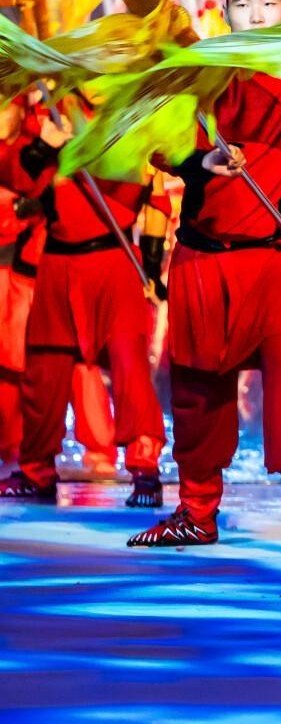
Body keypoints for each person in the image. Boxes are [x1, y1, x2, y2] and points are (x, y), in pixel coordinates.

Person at [129, 0, 281, 555]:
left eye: (270, 3)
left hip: (277, 257)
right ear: (227, 12)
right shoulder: (202, 74)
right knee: (198, 393)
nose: (259, 15)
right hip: (205, 254)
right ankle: (196, 510)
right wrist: (201, 162)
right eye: (245, 5)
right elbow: (159, 145)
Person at [0, 93, 169, 506]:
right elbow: (20, 181)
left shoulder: (134, 120)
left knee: (128, 365)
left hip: (113, 260)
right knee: (45, 367)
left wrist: (150, 266)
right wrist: (47, 146)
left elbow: (156, 199)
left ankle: (144, 468)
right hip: (58, 259)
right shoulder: (52, 116)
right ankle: (36, 469)